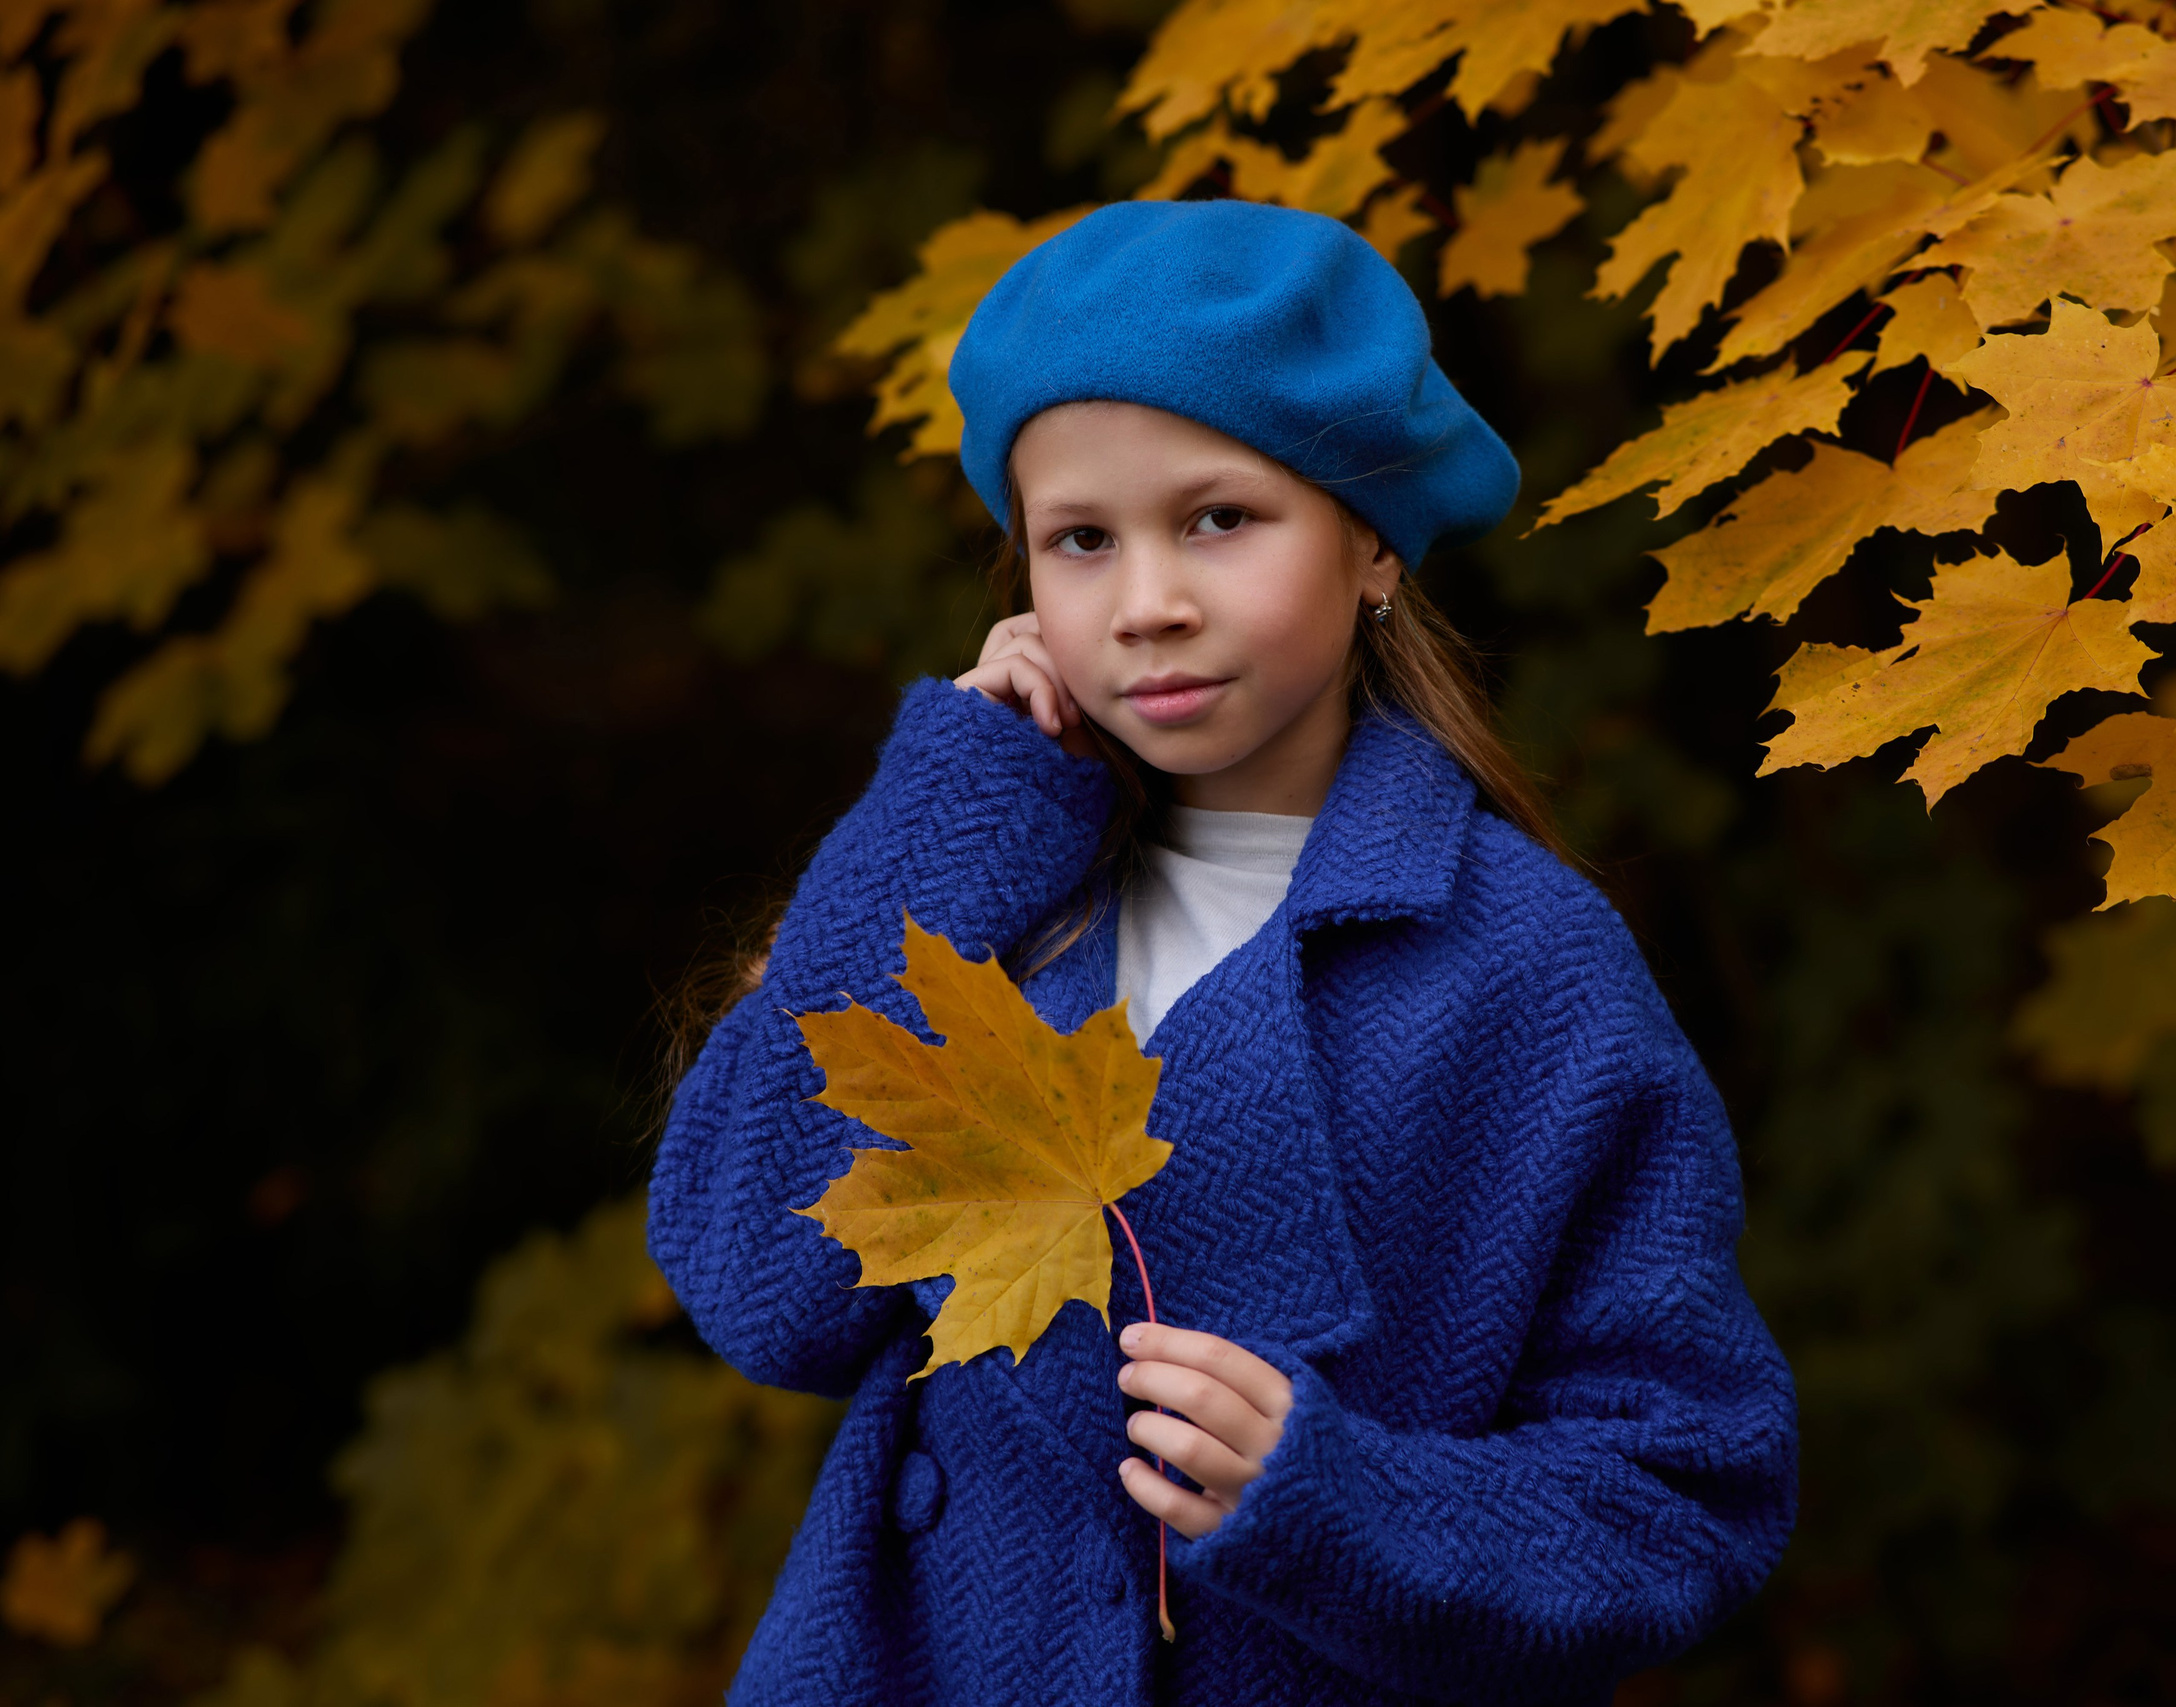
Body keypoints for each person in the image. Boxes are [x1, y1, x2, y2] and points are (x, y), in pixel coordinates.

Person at [649, 198, 1795, 1706]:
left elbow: (1679, 1494)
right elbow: (759, 1293)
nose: (1148, 604)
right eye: (1079, 541)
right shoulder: (989, 891)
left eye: (1217, 519)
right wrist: (944, 815)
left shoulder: (1524, 966)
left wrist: (1333, 1502)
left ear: (1371, 543)